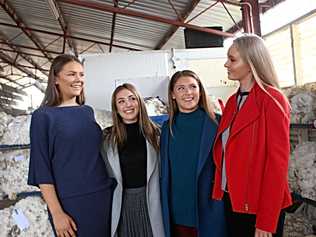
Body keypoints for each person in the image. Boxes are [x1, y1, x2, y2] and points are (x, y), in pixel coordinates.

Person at [212, 34, 292, 237]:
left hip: (260, 205)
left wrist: (266, 219)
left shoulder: (272, 100)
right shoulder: (232, 102)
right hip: (234, 200)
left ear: (251, 62)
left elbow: (277, 163)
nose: (226, 64)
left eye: (232, 59)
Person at [28, 54, 113, 237]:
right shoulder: (43, 116)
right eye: (72, 74)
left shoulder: (86, 111)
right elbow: (41, 168)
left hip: (103, 195)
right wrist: (57, 213)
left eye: (81, 75)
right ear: (56, 79)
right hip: (71, 202)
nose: (79, 80)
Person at [160, 70, 227, 237]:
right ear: (173, 94)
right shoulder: (167, 128)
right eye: (181, 88)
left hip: (211, 207)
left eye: (192, 87)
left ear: (200, 90)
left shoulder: (217, 122)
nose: (188, 92)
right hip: (179, 211)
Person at [101, 83, 164, 237]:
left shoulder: (157, 134)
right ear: (115, 108)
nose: (127, 104)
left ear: (139, 102)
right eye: (121, 101)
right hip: (123, 204)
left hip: (153, 201)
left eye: (132, 98)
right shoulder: (107, 139)